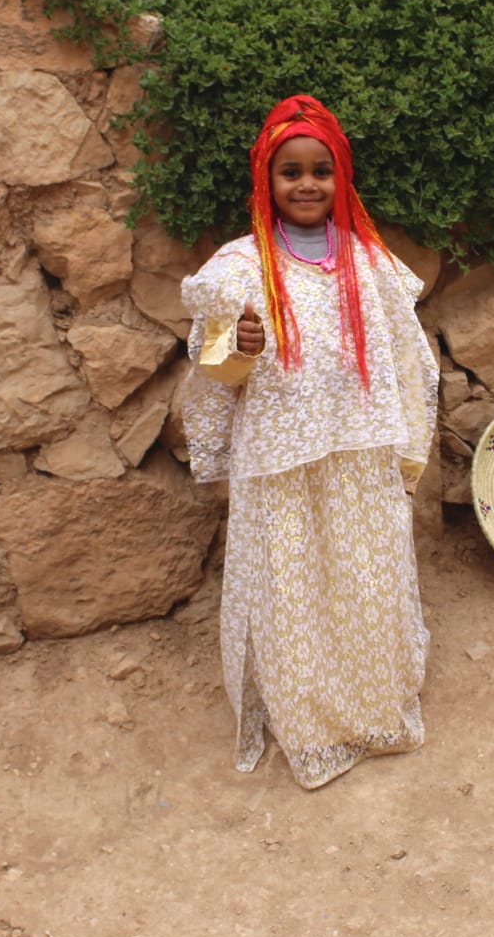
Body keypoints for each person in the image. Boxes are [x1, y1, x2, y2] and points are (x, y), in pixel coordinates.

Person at [180, 95, 439, 789]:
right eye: (289, 170)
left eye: (321, 170)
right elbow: (213, 371)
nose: (305, 183)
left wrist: (407, 443)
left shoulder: (369, 264)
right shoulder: (238, 268)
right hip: (283, 466)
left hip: (357, 456)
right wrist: (238, 344)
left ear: (341, 177)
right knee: (295, 585)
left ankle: (373, 700)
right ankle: (311, 715)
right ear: (266, 179)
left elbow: (408, 361)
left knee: (363, 574)